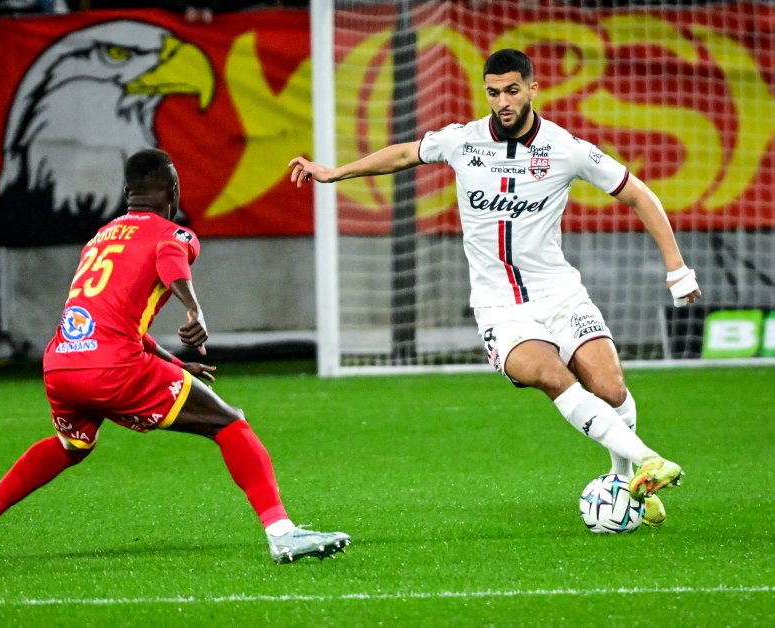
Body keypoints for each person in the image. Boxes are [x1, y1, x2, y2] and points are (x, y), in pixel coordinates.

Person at [288, 49, 701, 527]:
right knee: (550, 375)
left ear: (532, 89)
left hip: (561, 295)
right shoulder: (462, 141)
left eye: (511, 91)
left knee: (611, 388)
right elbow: (404, 153)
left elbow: (639, 195)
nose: (502, 102)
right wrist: (335, 172)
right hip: (499, 308)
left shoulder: (565, 148)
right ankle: (648, 458)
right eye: (493, 92)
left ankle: (625, 481)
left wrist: (677, 269)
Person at [0, 149, 350, 566]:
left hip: (61, 363)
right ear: (174, 192)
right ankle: (282, 533)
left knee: (72, 445)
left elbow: (115, 321)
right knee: (229, 423)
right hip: (113, 368)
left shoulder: (99, 238)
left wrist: (175, 365)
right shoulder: (174, 234)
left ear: (127, 193)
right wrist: (194, 310)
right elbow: (171, 260)